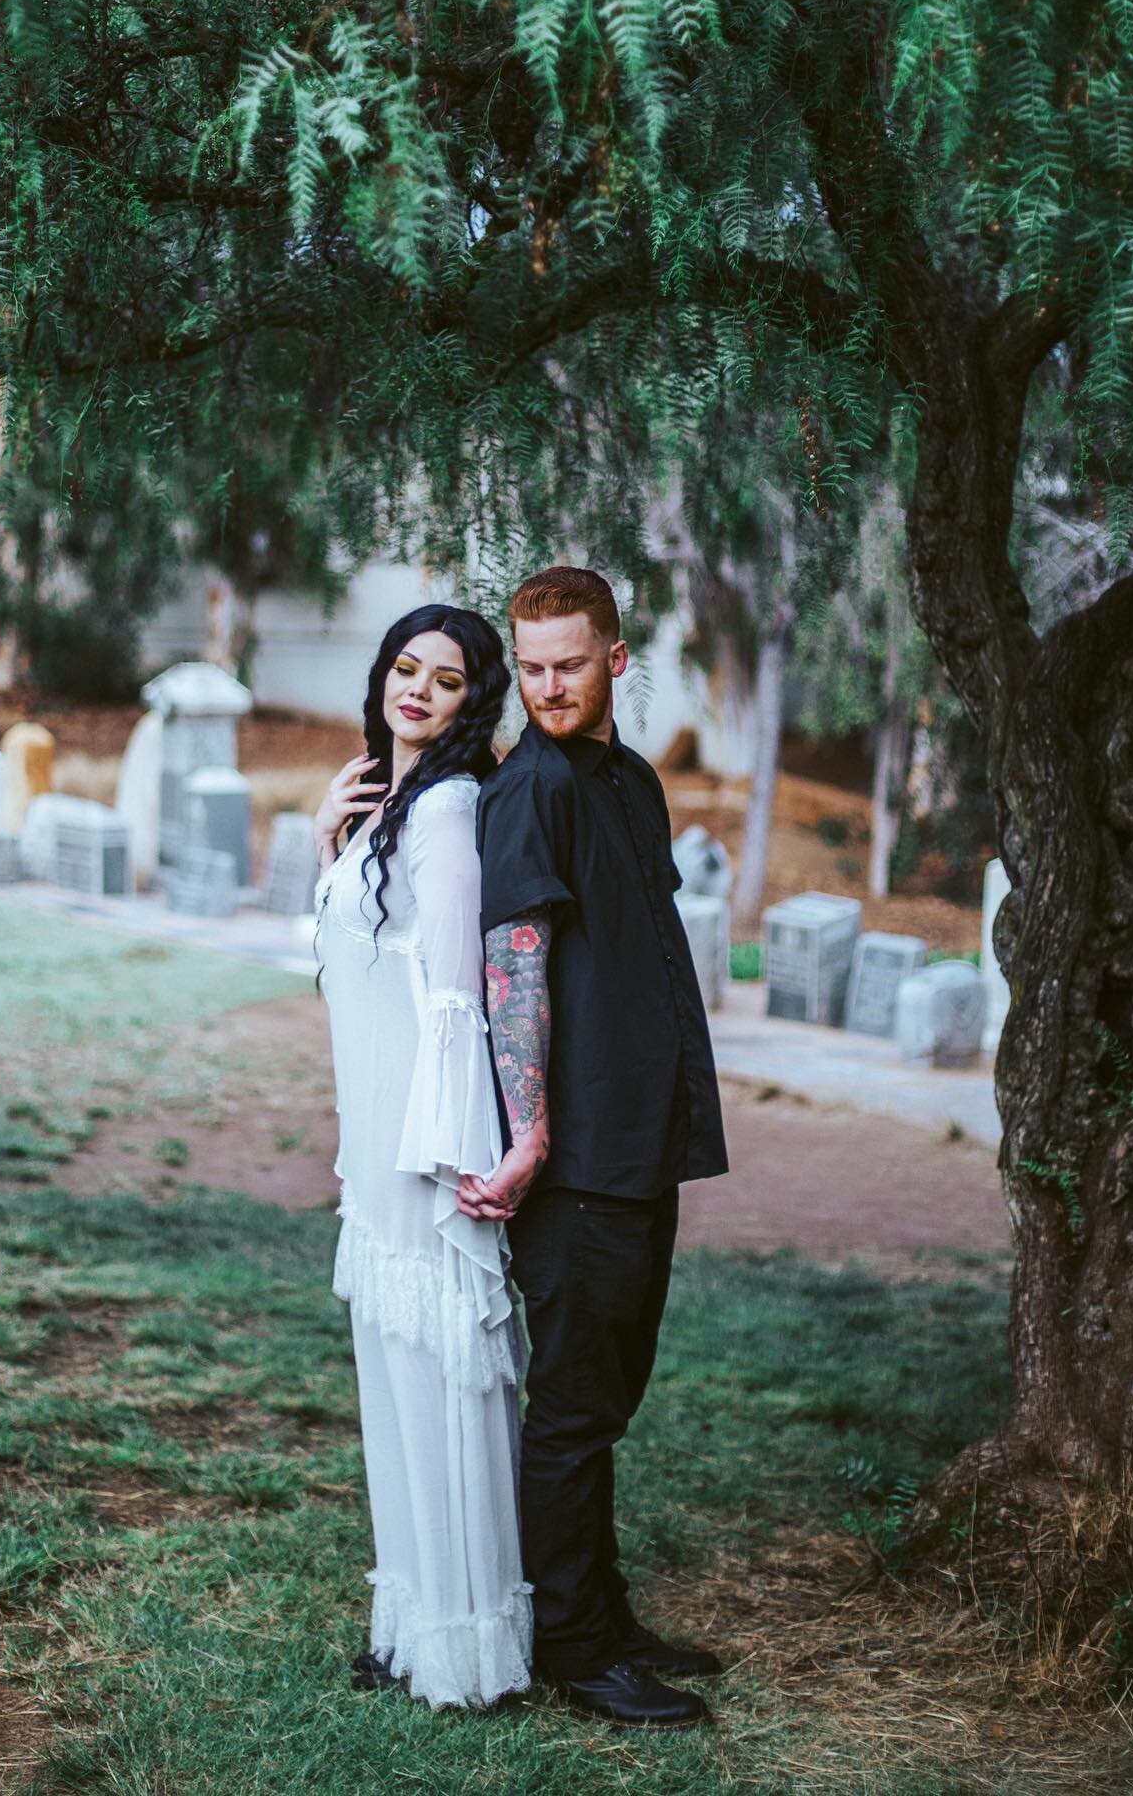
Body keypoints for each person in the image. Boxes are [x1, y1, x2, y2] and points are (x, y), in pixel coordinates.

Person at [460, 566, 731, 1730]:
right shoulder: (530, 789)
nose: (547, 686)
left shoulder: (627, 778)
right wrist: (528, 1140)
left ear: (616, 658)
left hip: (640, 1142)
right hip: (573, 1166)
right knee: (573, 1407)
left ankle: (605, 1614)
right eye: (529, 667)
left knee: (607, 1396)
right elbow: (512, 964)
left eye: (568, 663)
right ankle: (572, 1648)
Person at [312, 603, 532, 1710]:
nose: (418, 692)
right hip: (372, 1144)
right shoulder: (378, 801)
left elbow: (456, 998)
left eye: (445, 681)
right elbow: (338, 966)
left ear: (469, 702)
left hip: (421, 1149)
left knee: (437, 1387)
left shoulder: (449, 812)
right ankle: (406, 1624)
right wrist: (328, 838)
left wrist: (451, 1159)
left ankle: (459, 1642)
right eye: (406, 668)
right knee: (391, 1395)